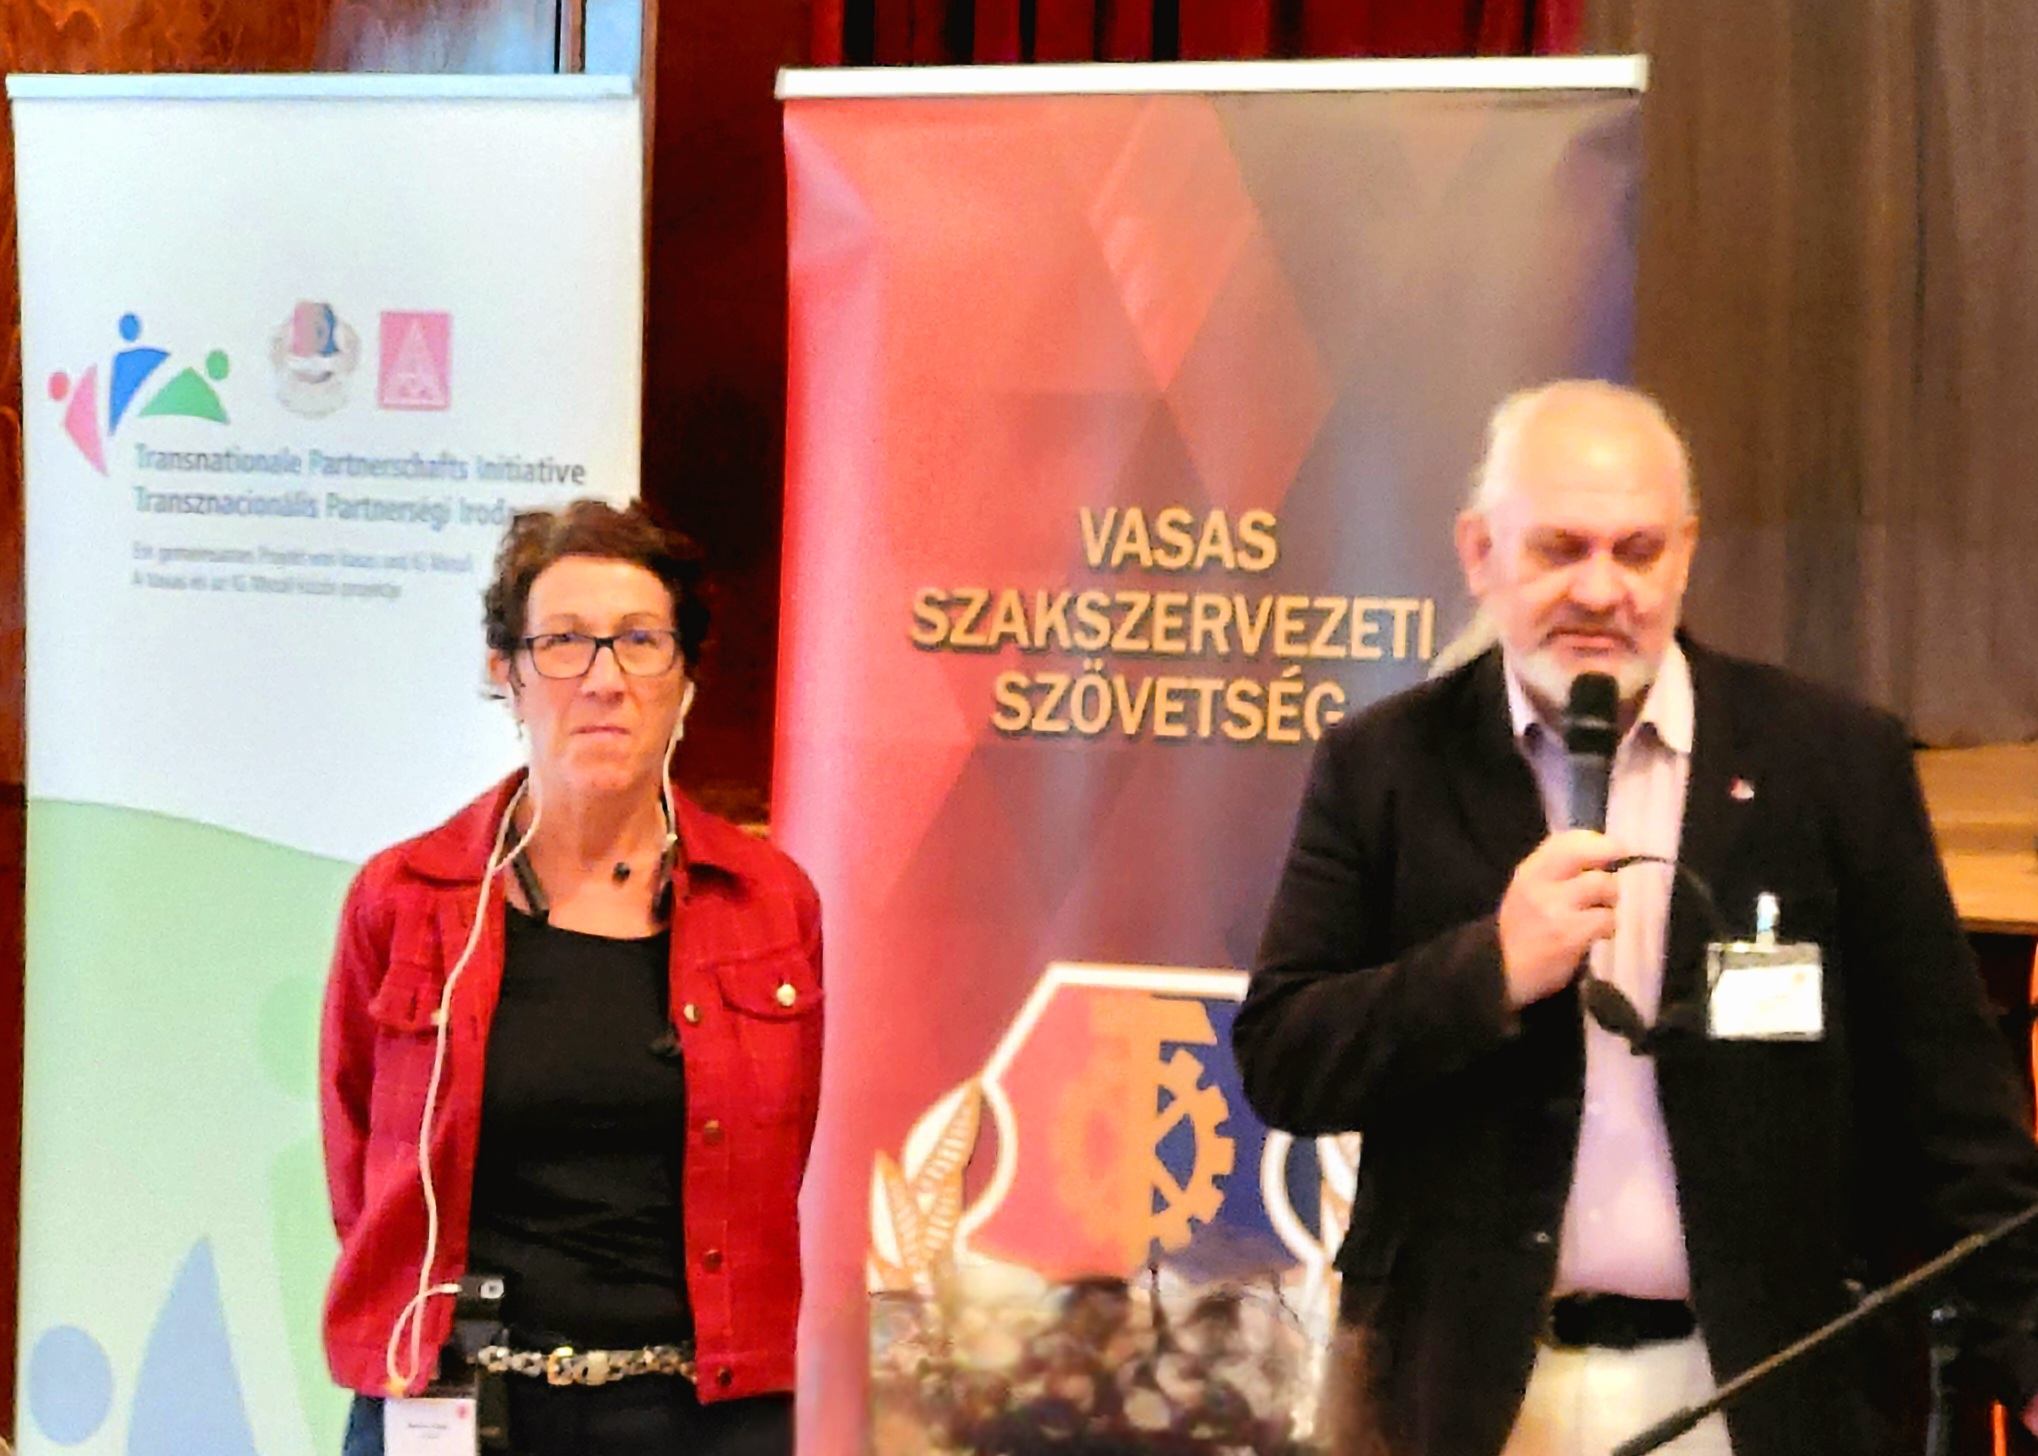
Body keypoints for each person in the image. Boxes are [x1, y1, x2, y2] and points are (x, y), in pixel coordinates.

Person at [1234, 381, 2038, 1456]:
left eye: (1637, 551)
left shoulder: (1830, 761)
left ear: (1685, 554)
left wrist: (2028, 1350)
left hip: (1760, 1396)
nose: (1600, 590)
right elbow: (1284, 1058)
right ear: (1479, 554)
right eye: (1559, 549)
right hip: (1470, 1402)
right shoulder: (1386, 765)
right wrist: (1489, 967)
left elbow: (1954, 1104)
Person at [320, 500, 822, 1456]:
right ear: (505, 675)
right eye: (562, 642)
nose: (604, 678)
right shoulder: (405, 899)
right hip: (456, 1406)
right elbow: (360, 1171)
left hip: (704, 1417)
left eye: (640, 641)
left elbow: (780, 1155)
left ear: (685, 680)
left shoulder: (770, 905)